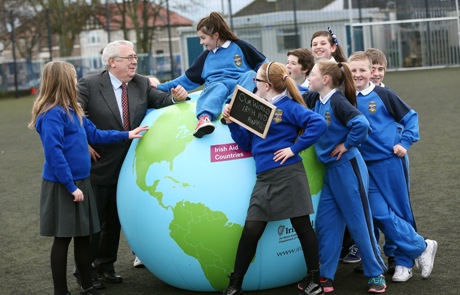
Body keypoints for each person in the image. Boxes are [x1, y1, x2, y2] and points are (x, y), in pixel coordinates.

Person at [76, 40, 189, 289]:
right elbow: (74, 113)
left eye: (135, 56)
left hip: (131, 168)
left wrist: (176, 97)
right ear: (112, 61)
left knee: (115, 219)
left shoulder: (140, 83)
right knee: (94, 223)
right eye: (129, 57)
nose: (134, 61)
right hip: (99, 165)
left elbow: (161, 100)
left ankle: (105, 266)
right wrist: (83, 142)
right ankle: (86, 272)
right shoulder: (89, 84)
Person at [28, 61, 148, 295]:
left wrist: (127, 134)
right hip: (64, 186)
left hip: (81, 182)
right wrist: (71, 187)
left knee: (84, 237)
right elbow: (54, 154)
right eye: (73, 78)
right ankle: (60, 291)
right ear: (63, 81)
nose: (76, 82)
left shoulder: (73, 110)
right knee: (63, 239)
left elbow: (96, 134)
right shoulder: (52, 114)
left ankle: (87, 284)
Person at [221, 62, 328, 295]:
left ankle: (314, 280)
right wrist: (232, 124)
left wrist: (294, 149)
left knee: (302, 226)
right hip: (265, 178)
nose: (253, 84)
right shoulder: (257, 108)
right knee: (251, 229)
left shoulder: (288, 107)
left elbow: (318, 123)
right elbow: (246, 144)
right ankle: (235, 284)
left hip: (289, 174)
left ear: (267, 85)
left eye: (256, 81)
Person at [348, 51, 438, 283]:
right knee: (377, 213)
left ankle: (404, 264)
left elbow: (411, 118)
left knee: (400, 212)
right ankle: (421, 246)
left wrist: (404, 143)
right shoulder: (344, 97)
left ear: (371, 73)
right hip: (363, 165)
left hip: (389, 162)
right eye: (353, 70)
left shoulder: (384, 94)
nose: (358, 74)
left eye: (362, 70)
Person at [302, 59, 387, 293]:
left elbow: (362, 124)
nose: (309, 78)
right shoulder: (315, 99)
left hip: (349, 168)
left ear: (326, 80)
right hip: (331, 171)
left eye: (313, 74)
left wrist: (346, 144)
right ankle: (325, 275)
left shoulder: (337, 100)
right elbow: (292, 94)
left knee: (359, 223)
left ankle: (376, 273)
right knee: (326, 224)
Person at [155, 12, 267, 138]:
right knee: (218, 87)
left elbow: (264, 65)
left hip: (237, 89)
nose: (200, 42)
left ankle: (234, 109)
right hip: (216, 87)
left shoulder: (240, 46)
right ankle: (204, 119)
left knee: (251, 74)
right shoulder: (205, 57)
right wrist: (159, 87)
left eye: (203, 38)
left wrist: (276, 77)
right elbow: (186, 80)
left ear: (216, 35)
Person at [310, 27, 360, 264]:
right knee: (335, 209)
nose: (318, 47)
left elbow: (357, 120)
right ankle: (340, 251)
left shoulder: (337, 78)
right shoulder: (316, 80)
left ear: (333, 47)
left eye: (322, 43)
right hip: (331, 156)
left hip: (350, 153)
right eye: (314, 44)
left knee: (361, 208)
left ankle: (365, 254)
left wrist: (347, 144)